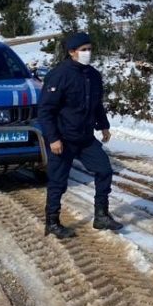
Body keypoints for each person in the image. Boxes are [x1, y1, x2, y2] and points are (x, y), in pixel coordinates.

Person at [38, 32, 123, 239]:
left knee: (104, 170)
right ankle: (52, 222)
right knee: (58, 182)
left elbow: (97, 104)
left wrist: (103, 126)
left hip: (85, 138)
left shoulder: (93, 75)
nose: (88, 53)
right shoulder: (59, 75)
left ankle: (101, 215)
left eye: (90, 48)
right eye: (83, 49)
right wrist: (53, 138)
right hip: (63, 138)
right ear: (71, 52)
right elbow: (45, 109)